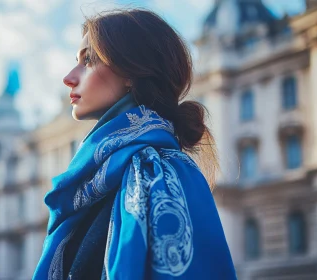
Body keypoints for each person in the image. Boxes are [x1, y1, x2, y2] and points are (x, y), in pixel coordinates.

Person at [33, 8, 236, 280]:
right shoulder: (91, 180)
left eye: (89, 60)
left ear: (131, 71)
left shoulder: (165, 170)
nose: (69, 77)